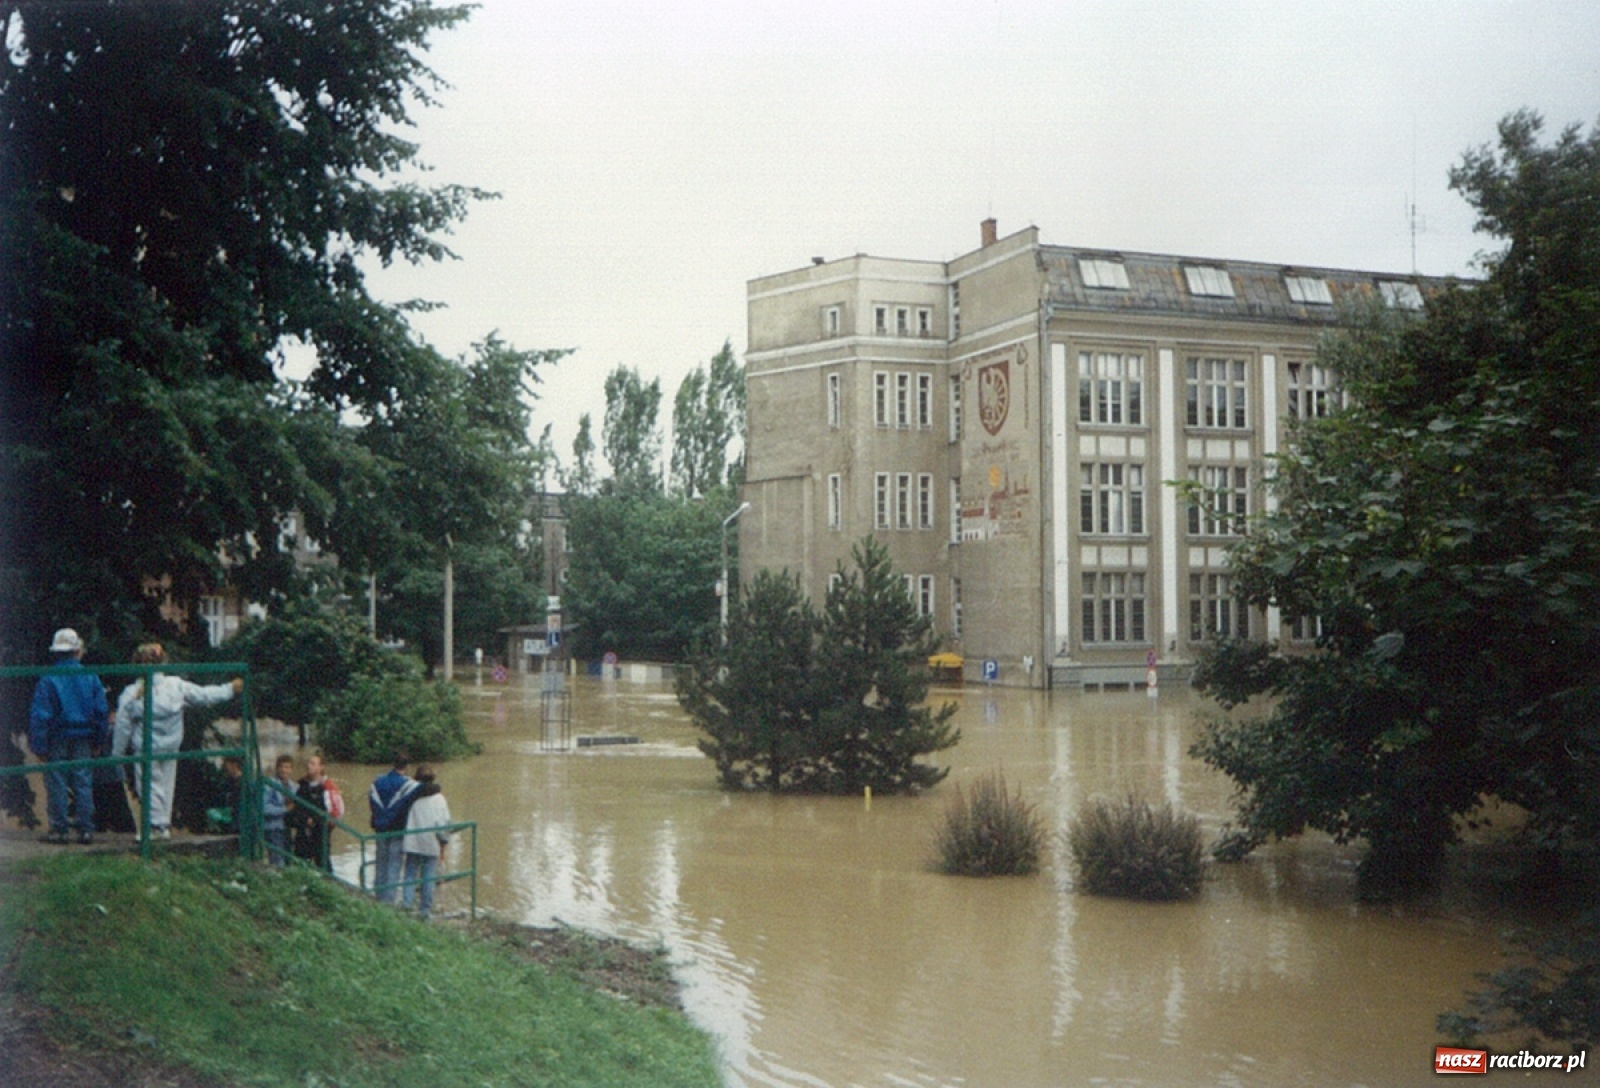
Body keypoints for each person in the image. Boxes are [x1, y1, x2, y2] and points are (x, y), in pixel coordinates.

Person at [112, 642, 242, 839]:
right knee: (166, 784)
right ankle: (162, 825)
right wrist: (229, 689)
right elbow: (205, 695)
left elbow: (122, 726)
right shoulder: (176, 686)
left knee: (148, 786)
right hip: (171, 745)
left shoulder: (131, 694)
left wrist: (117, 753)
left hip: (146, 747)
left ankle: (156, 827)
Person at [28, 628, 110, 845]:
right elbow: (101, 711)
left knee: (56, 782)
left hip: (56, 737)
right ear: (77, 650)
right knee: (83, 780)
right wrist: (99, 740)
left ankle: (59, 829)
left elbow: (40, 715)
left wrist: (39, 746)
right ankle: (85, 829)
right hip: (84, 735)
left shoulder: (48, 679)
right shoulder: (90, 676)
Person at [367, 754, 418, 903]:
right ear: (407, 767)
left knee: (380, 863)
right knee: (394, 866)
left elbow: (372, 803)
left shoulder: (377, 782)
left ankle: (378, 898)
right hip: (397, 830)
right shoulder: (409, 785)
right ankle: (389, 902)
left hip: (380, 829)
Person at [401, 766, 451, 921]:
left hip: (412, 840)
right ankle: (425, 911)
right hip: (431, 841)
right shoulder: (439, 799)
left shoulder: (411, 796)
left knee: (410, 873)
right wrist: (444, 840)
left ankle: (407, 906)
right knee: (428, 876)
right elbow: (443, 822)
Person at [291, 753, 345, 870]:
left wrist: (319, 822)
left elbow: (337, 812)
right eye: (308, 763)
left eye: (313, 764)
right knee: (299, 863)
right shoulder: (301, 785)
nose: (309, 766)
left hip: (321, 832)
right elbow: (295, 807)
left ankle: (329, 885)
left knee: (323, 864)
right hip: (303, 832)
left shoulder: (328, 787)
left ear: (321, 767)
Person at [262, 755, 296, 864]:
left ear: (291, 769)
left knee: (288, 860)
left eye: (287, 767)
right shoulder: (268, 785)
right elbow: (264, 808)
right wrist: (285, 809)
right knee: (277, 861)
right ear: (276, 768)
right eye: (281, 767)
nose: (283, 770)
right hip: (273, 827)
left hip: (288, 827)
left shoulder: (294, 787)